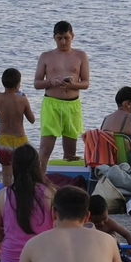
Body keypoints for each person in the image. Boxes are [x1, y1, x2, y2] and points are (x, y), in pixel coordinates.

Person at [0, 144, 55, 262]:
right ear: (38, 165)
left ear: (14, 167)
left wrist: (11, 234)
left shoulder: (4, 194)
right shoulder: (50, 192)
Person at [34, 20, 90, 162]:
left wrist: (73, 85)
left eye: (66, 38)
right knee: (45, 148)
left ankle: (68, 179)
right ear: (54, 37)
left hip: (72, 105)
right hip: (51, 104)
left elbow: (86, 83)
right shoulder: (46, 56)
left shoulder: (80, 55)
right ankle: (39, 180)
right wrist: (50, 82)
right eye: (59, 38)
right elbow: (37, 83)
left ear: (72, 36)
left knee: (70, 152)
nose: (63, 42)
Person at [0, 67, 35, 188]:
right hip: (20, 140)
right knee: (22, 171)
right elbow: (32, 119)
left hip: (3, 141)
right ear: (18, 85)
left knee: (6, 175)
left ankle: (7, 196)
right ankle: (21, 193)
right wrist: (24, 99)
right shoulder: (22, 100)